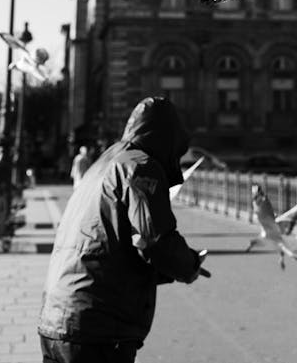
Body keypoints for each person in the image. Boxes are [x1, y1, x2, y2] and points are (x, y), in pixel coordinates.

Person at [38, 97, 208, 363]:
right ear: (168, 139)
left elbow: (112, 245)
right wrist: (189, 265)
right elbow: (155, 240)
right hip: (98, 327)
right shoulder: (140, 166)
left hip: (56, 319)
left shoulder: (103, 164)